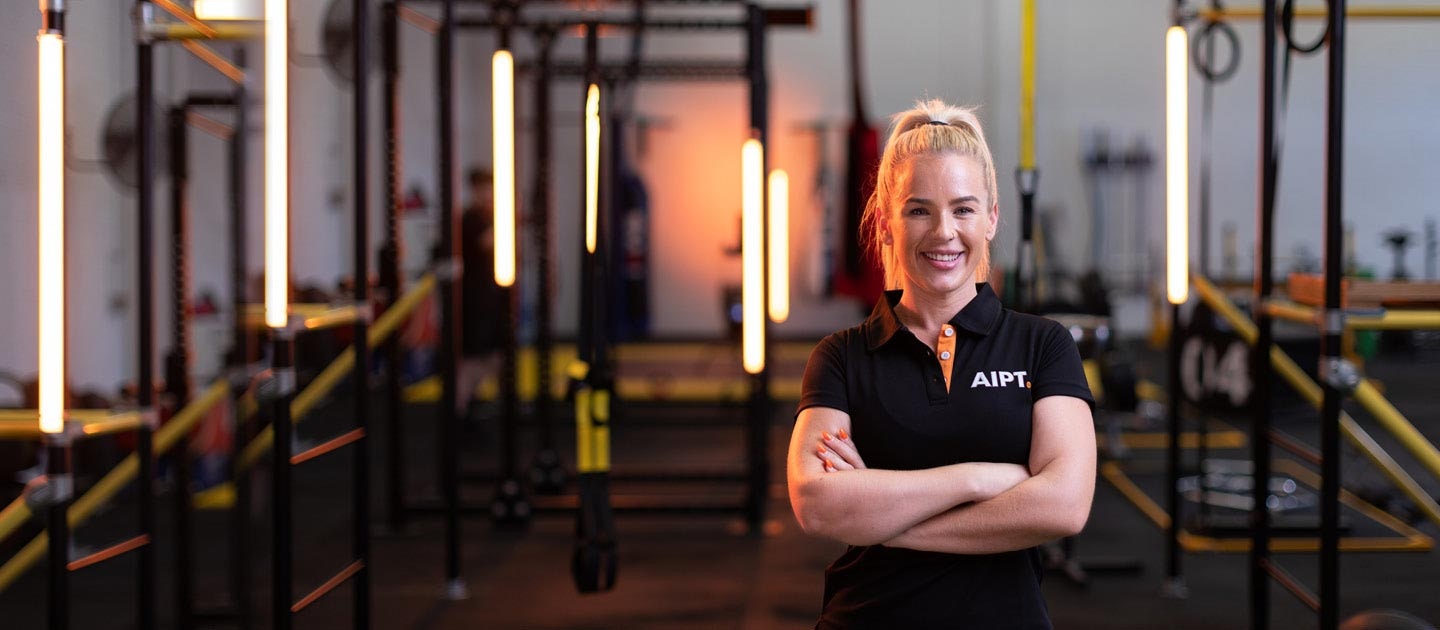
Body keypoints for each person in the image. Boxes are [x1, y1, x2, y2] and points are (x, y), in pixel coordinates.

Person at [787, 99, 1097, 628]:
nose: (943, 232)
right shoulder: (841, 358)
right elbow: (817, 501)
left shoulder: (1042, 346)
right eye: (919, 210)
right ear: (887, 222)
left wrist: (883, 520)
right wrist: (978, 479)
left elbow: (1063, 505)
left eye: (963, 208)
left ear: (992, 218)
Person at [458, 167, 504, 419]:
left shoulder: (487, 216)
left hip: (492, 297)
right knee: (473, 360)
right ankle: (460, 413)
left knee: (497, 356)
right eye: (483, 188)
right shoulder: (472, 218)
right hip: (474, 301)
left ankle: (500, 407)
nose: (488, 193)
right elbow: (489, 241)